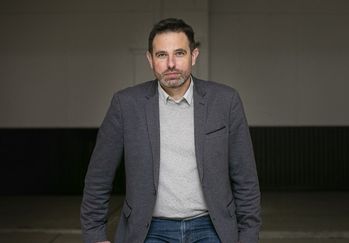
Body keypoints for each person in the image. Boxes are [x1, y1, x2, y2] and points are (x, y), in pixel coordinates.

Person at [80, 18, 261, 243]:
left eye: (180, 53)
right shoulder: (125, 105)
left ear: (194, 55)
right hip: (149, 230)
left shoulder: (225, 101)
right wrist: (94, 235)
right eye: (162, 55)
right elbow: (99, 176)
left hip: (211, 228)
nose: (171, 64)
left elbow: (245, 178)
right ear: (150, 59)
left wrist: (249, 236)